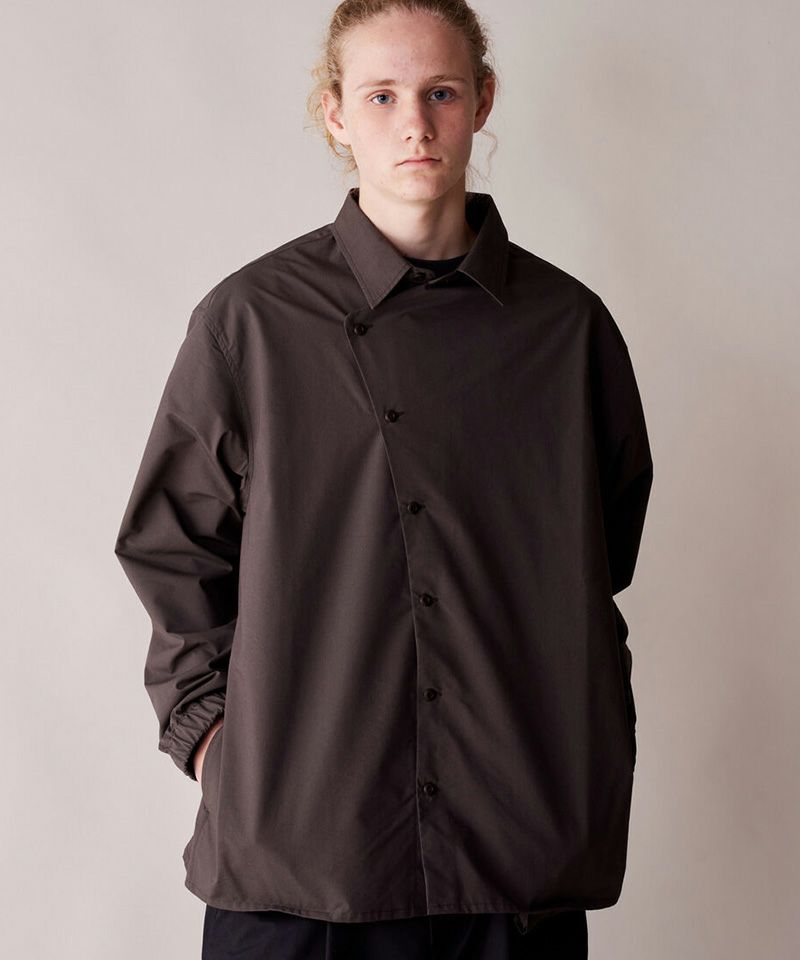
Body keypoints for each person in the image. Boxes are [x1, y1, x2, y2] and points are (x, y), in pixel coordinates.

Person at [114, 1, 654, 958]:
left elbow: (601, 554)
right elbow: (173, 550)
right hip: (301, 866)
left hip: (515, 863)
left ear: (482, 101)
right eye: (382, 95)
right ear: (335, 112)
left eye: (441, 92)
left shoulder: (568, 330)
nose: (415, 124)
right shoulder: (251, 323)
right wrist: (214, 743)